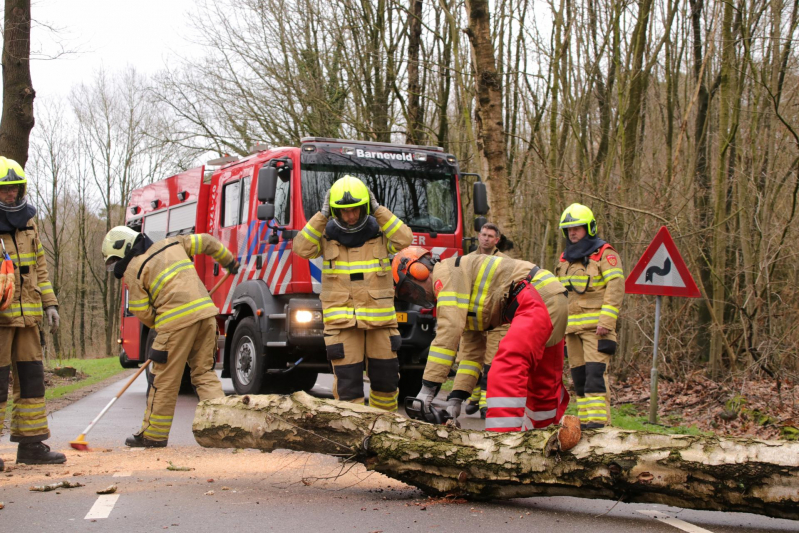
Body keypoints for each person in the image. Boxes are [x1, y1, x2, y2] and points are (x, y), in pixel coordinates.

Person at [393, 246, 569, 431]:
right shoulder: (462, 288)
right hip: (551, 296)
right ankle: (544, 437)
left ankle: (501, 443)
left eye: (408, 289)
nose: (413, 296)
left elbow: (449, 330)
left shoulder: (445, 275)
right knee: (543, 382)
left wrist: (427, 389)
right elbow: (471, 351)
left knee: (505, 369)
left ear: (418, 270)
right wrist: (456, 397)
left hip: (534, 295)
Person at [102, 225, 239, 447]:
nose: (117, 266)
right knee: (204, 374)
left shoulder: (134, 269)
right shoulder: (173, 243)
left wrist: (163, 326)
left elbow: (142, 312)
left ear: (124, 250)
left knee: (163, 380)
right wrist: (228, 261)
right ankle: (225, 429)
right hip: (206, 316)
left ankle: (153, 435)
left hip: (174, 325)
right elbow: (206, 240)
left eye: (116, 260)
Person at [293, 175, 412, 411]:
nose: (351, 215)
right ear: (335, 211)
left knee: (386, 382)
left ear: (365, 206)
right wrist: (322, 215)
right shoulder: (326, 237)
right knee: (348, 387)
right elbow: (301, 248)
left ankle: (383, 431)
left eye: (356, 209)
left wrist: (378, 210)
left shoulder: (381, 234)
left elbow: (405, 238)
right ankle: (354, 438)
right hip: (342, 324)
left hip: (381, 323)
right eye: (344, 211)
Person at [0, 157, 65, 469]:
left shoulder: (29, 223)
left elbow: (40, 268)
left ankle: (31, 446)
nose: (11, 195)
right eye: (4, 190)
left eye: (14, 188)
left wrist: (50, 304)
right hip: (0, 320)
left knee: (32, 381)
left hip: (28, 319)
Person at [555, 203, 624, 429]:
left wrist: (606, 322)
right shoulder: (565, 258)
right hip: (572, 330)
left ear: (589, 228)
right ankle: (584, 423)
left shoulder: (605, 254)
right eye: (569, 229)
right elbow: (560, 295)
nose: (573, 232)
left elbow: (615, 289)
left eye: (578, 227)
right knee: (580, 378)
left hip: (597, 329)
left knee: (595, 376)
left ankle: (599, 424)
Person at [458, 223, 509, 418]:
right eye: (483, 234)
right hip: (472, 318)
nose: (486, 238)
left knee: (492, 361)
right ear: (478, 236)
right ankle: (475, 395)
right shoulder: (466, 260)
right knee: (471, 359)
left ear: (497, 240)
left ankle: (486, 402)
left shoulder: (505, 262)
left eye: (490, 236)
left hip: (495, 318)